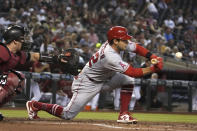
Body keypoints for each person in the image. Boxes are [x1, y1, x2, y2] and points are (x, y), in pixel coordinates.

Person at [26, 26, 163, 124]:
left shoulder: (115, 44)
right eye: (124, 40)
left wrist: (152, 56)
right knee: (67, 114)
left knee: (127, 80)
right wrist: (153, 68)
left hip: (103, 80)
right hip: (86, 83)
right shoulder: (110, 56)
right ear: (115, 41)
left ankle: (124, 114)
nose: (127, 43)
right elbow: (133, 71)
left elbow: (137, 47)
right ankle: (35, 105)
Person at [0, 25, 40, 121]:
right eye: (22, 39)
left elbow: (34, 56)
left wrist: (56, 58)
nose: (24, 41)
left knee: (19, 78)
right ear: (14, 41)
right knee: (10, 78)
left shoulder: (16, 54)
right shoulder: (2, 50)